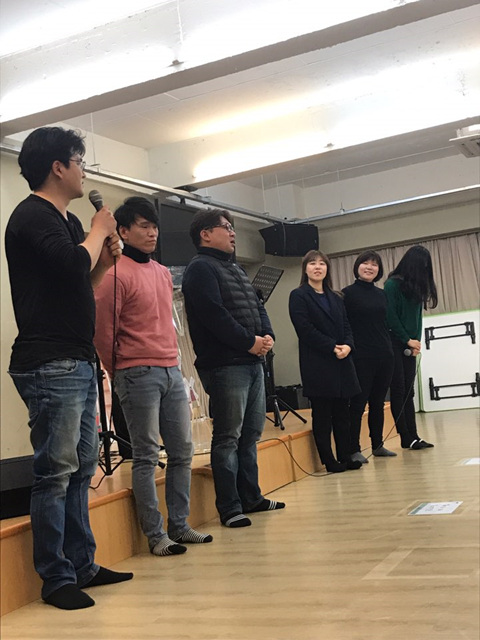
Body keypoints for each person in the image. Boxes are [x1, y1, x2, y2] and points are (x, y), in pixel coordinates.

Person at [5, 126, 133, 611]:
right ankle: (56, 578)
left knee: (81, 467)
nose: (83, 172)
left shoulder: (67, 219)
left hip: (76, 357)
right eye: (79, 162)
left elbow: (83, 278)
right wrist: (98, 230)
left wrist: (104, 260)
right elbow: (69, 263)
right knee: (56, 472)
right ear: (58, 167)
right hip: (48, 361)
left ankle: (82, 565)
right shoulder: (31, 215)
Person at [94, 197, 212, 556]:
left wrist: (174, 364)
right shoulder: (114, 273)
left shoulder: (161, 272)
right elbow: (102, 331)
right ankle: (156, 535)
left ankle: (180, 525)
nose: (152, 233)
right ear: (123, 231)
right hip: (136, 372)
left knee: (182, 450)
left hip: (171, 369)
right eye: (144, 226)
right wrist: (118, 371)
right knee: (146, 455)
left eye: (154, 226)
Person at [182, 208, 285, 528]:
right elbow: (214, 316)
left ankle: (251, 497)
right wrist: (248, 342)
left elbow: (256, 306)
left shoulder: (235, 268)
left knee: (250, 434)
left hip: (251, 361)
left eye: (231, 227)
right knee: (228, 436)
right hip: (225, 365)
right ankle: (229, 507)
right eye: (225, 227)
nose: (232, 232)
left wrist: (266, 336)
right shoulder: (200, 269)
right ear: (205, 234)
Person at [289, 250, 362, 473]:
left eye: (322, 263)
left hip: (342, 360)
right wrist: (332, 346)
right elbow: (305, 329)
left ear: (327, 269)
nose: (317, 267)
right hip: (318, 362)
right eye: (312, 263)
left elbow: (347, 326)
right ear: (305, 268)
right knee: (322, 414)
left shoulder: (336, 297)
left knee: (342, 414)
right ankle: (329, 460)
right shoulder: (299, 295)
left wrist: (348, 345)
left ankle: (345, 456)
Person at [342, 250, 396, 462]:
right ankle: (353, 449)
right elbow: (344, 325)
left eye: (374, 264)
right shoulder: (346, 294)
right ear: (357, 266)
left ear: (379, 270)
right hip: (360, 356)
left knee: (378, 402)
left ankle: (378, 445)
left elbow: (385, 323)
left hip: (384, 354)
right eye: (365, 263)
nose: (369, 267)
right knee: (358, 403)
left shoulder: (382, 294)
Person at [384, 245, 438, 450]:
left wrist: (416, 341)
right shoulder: (392, 285)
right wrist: (407, 339)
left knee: (409, 391)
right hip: (394, 343)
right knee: (398, 390)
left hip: (410, 344)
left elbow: (417, 318)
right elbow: (390, 317)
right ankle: (405, 436)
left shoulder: (416, 288)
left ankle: (413, 435)